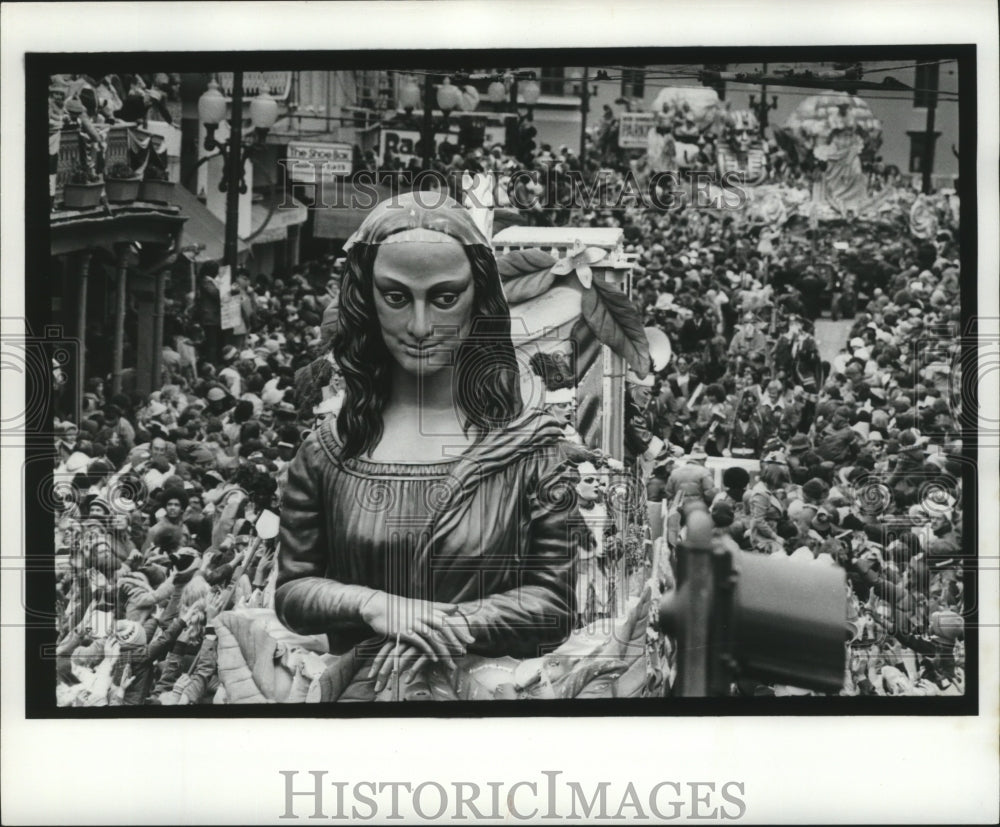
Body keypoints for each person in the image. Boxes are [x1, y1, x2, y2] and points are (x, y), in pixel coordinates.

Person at [275, 193, 579, 701]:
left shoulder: (532, 449)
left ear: (478, 299)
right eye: (396, 298)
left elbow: (554, 605)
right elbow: (292, 592)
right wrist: (373, 606)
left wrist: (440, 623)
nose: (419, 327)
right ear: (364, 301)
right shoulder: (327, 451)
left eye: (444, 298)